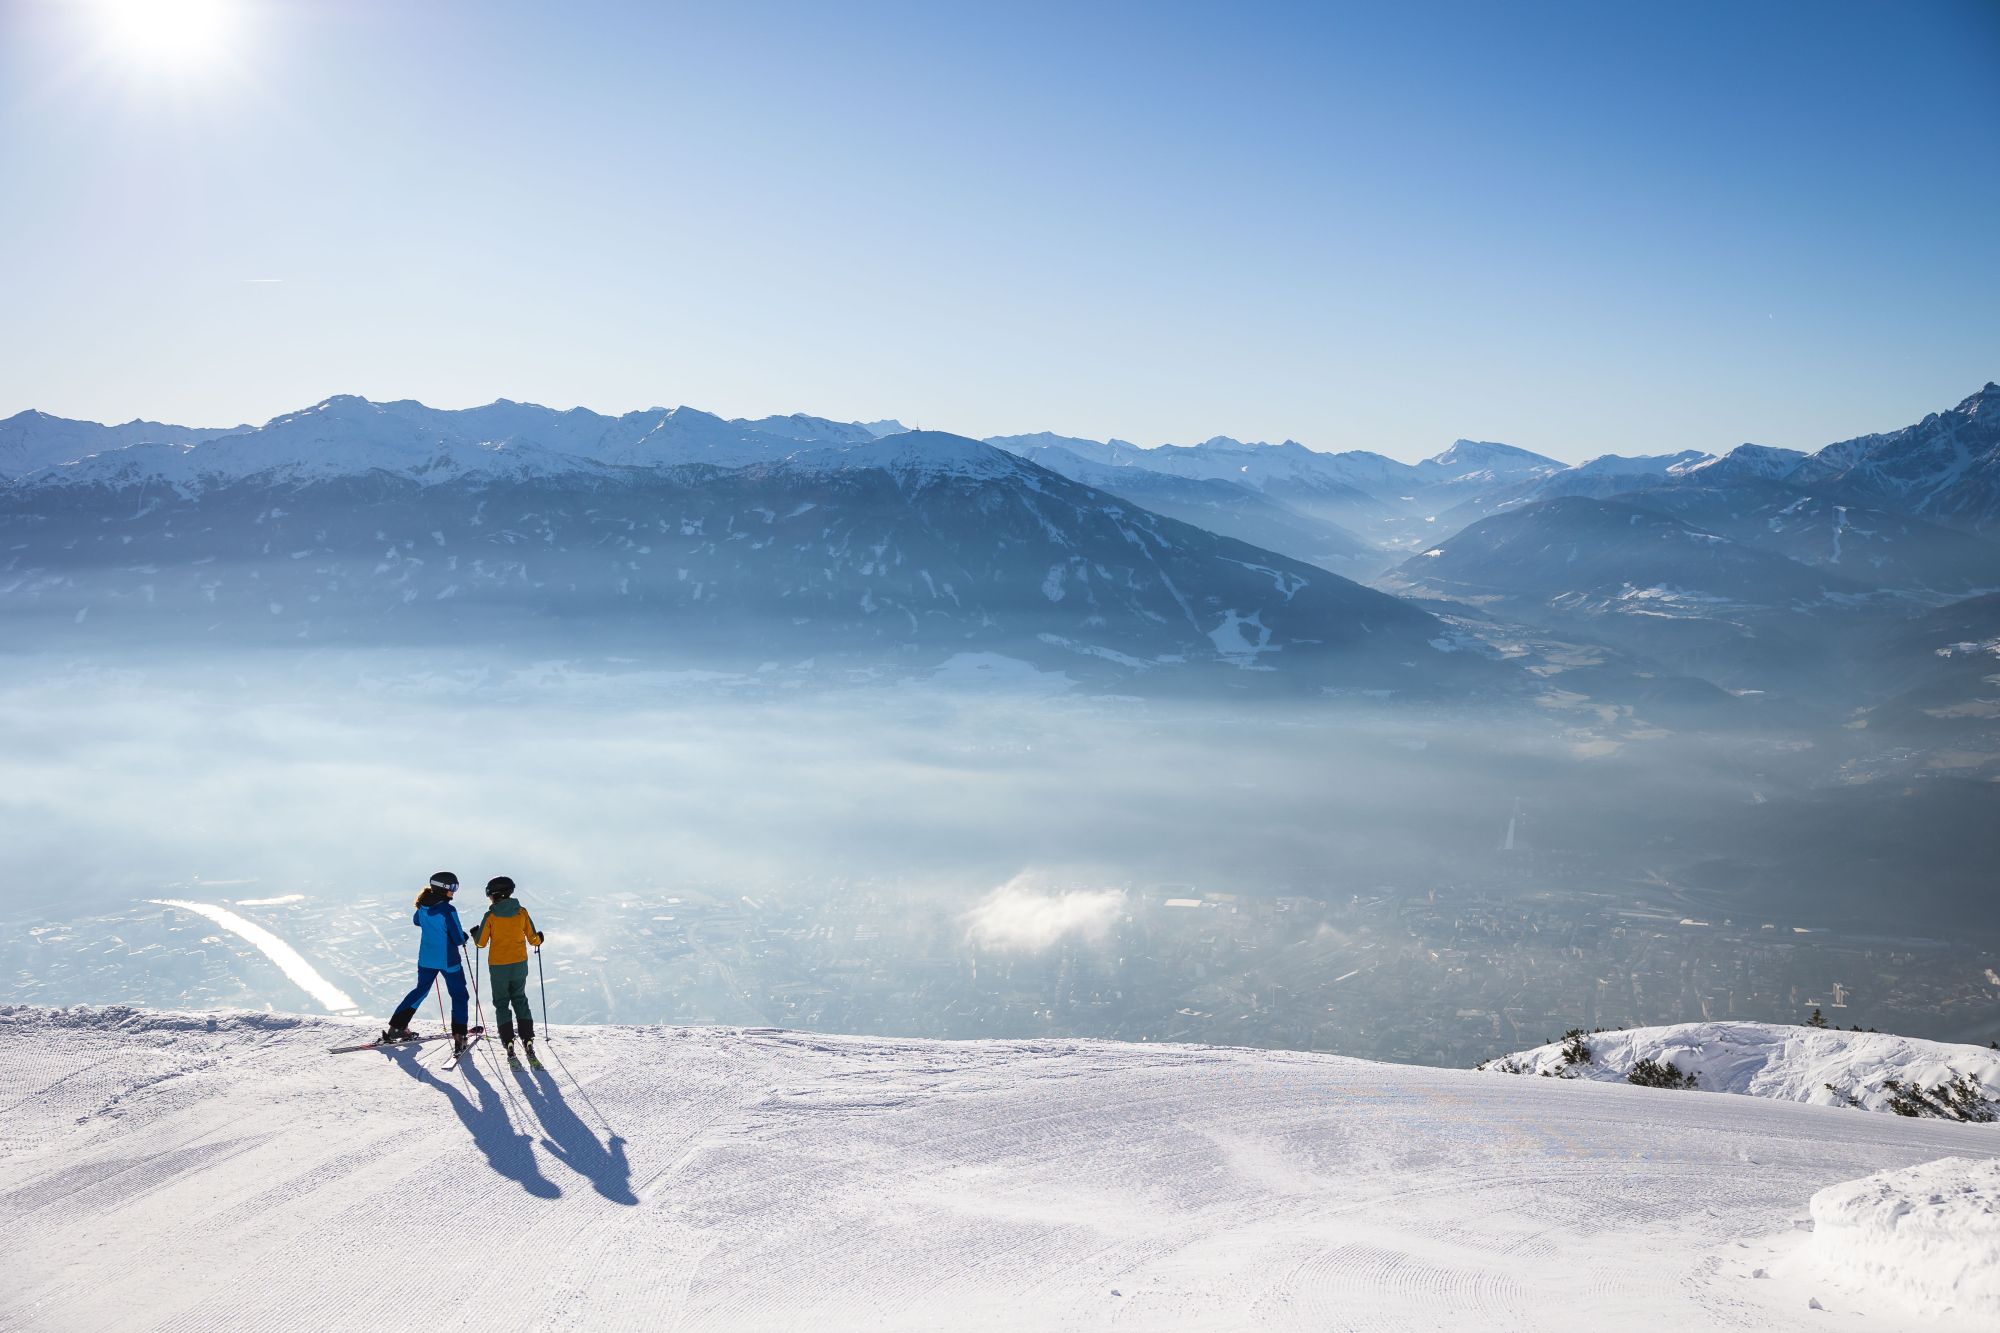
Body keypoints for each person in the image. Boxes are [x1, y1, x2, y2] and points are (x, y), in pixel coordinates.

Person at [381, 871, 472, 1053]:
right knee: (460, 995)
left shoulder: (422, 906)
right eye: (453, 887)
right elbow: (457, 938)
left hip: (426, 959)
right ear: (444, 888)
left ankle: (397, 1028)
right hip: (448, 960)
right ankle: (459, 1036)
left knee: (420, 991)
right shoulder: (448, 910)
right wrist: (465, 936)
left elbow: (417, 921)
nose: (454, 891)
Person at [469, 876, 545, 1065]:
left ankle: (508, 1041)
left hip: (498, 967)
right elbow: (533, 938)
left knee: (502, 1003)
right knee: (520, 999)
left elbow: (480, 943)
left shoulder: (491, 916)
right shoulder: (521, 913)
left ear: (493, 895)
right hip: (519, 965)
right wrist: (540, 940)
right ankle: (527, 1039)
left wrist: (474, 934)